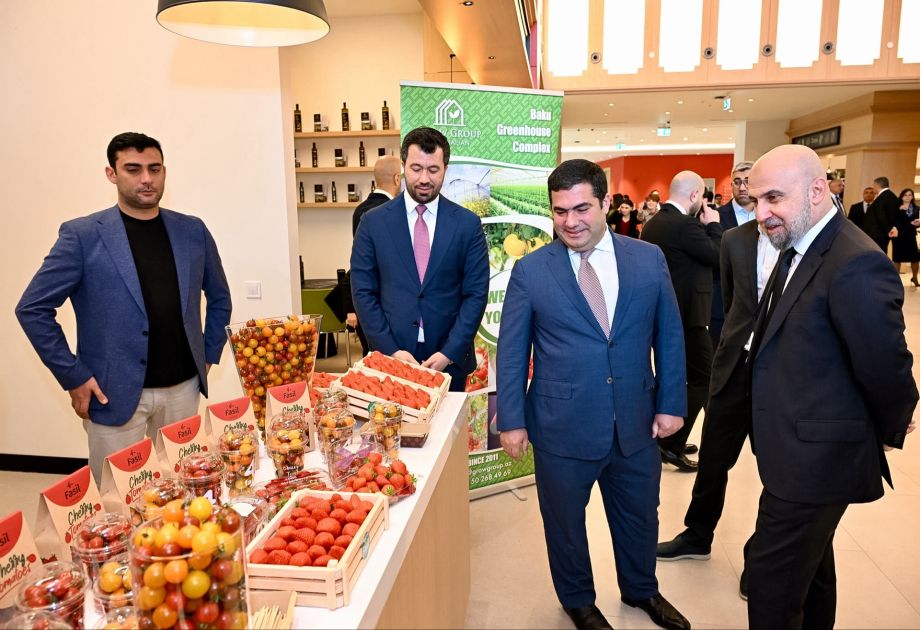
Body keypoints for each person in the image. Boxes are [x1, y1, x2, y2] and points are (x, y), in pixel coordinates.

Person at [497, 159, 689, 630]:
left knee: (640, 516)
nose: (571, 222)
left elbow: (669, 334)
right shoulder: (530, 271)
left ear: (605, 203)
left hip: (636, 421)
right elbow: (512, 351)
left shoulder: (648, 259)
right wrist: (512, 420)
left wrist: (671, 403)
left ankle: (641, 589)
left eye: (581, 208)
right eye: (560, 211)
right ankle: (578, 601)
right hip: (561, 425)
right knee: (564, 524)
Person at [744, 144, 917, 629]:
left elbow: (886, 364)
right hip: (795, 449)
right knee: (812, 571)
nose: (761, 213)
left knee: (771, 584)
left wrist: (890, 426)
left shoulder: (854, 261)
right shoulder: (800, 245)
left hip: (817, 460)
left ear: (817, 190)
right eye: (756, 201)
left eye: (773, 198)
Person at [16, 132, 232, 483]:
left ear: (164, 171)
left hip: (183, 389)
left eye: (154, 169)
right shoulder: (83, 235)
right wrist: (73, 376)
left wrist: (208, 355)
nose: (146, 179)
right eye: (133, 169)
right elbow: (32, 308)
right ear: (111, 174)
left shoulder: (192, 231)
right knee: (118, 498)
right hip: (111, 392)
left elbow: (220, 298)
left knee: (184, 488)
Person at [657, 216, 780, 585]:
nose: (763, 206)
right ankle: (697, 535)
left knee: (777, 469)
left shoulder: (804, 239)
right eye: (755, 195)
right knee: (713, 457)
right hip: (735, 365)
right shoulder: (734, 240)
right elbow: (731, 303)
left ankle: (761, 558)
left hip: (783, 371)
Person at [350, 127, 489, 391]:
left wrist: (449, 352)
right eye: (416, 168)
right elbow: (363, 291)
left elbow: (476, 294)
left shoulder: (467, 225)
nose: (424, 178)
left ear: (445, 169)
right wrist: (390, 351)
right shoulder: (373, 223)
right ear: (403, 166)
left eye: (433, 170)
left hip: (449, 362)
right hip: (391, 359)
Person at [640, 171, 722, 472]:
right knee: (704, 377)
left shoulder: (654, 223)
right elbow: (719, 256)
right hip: (688, 316)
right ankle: (671, 444)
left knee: (673, 375)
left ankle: (668, 435)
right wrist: (713, 225)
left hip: (666, 313)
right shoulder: (686, 225)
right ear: (694, 195)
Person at [344, 155, 403, 355]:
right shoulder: (393, 212)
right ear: (397, 179)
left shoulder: (359, 211)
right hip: (390, 301)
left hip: (366, 300)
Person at [710, 162, 755, 349]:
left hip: (758, 302)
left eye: (747, 181)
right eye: (737, 182)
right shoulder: (715, 217)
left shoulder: (768, 215)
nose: (742, 187)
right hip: (723, 303)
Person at [862, 176, 900, 254]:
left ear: (877, 185)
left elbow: (881, 216)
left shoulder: (882, 198)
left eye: (874, 185)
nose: (873, 188)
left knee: (877, 255)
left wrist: (888, 230)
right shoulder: (893, 196)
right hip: (882, 234)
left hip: (877, 235)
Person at [892, 188, 920, 285]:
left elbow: (917, 222)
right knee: (897, 258)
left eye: (910, 195)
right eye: (905, 195)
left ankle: (915, 278)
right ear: (901, 196)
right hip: (898, 236)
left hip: (911, 235)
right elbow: (893, 221)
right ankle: (896, 281)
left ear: (912, 197)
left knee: (915, 258)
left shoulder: (917, 208)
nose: (907, 197)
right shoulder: (896, 207)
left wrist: (918, 224)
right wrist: (899, 210)